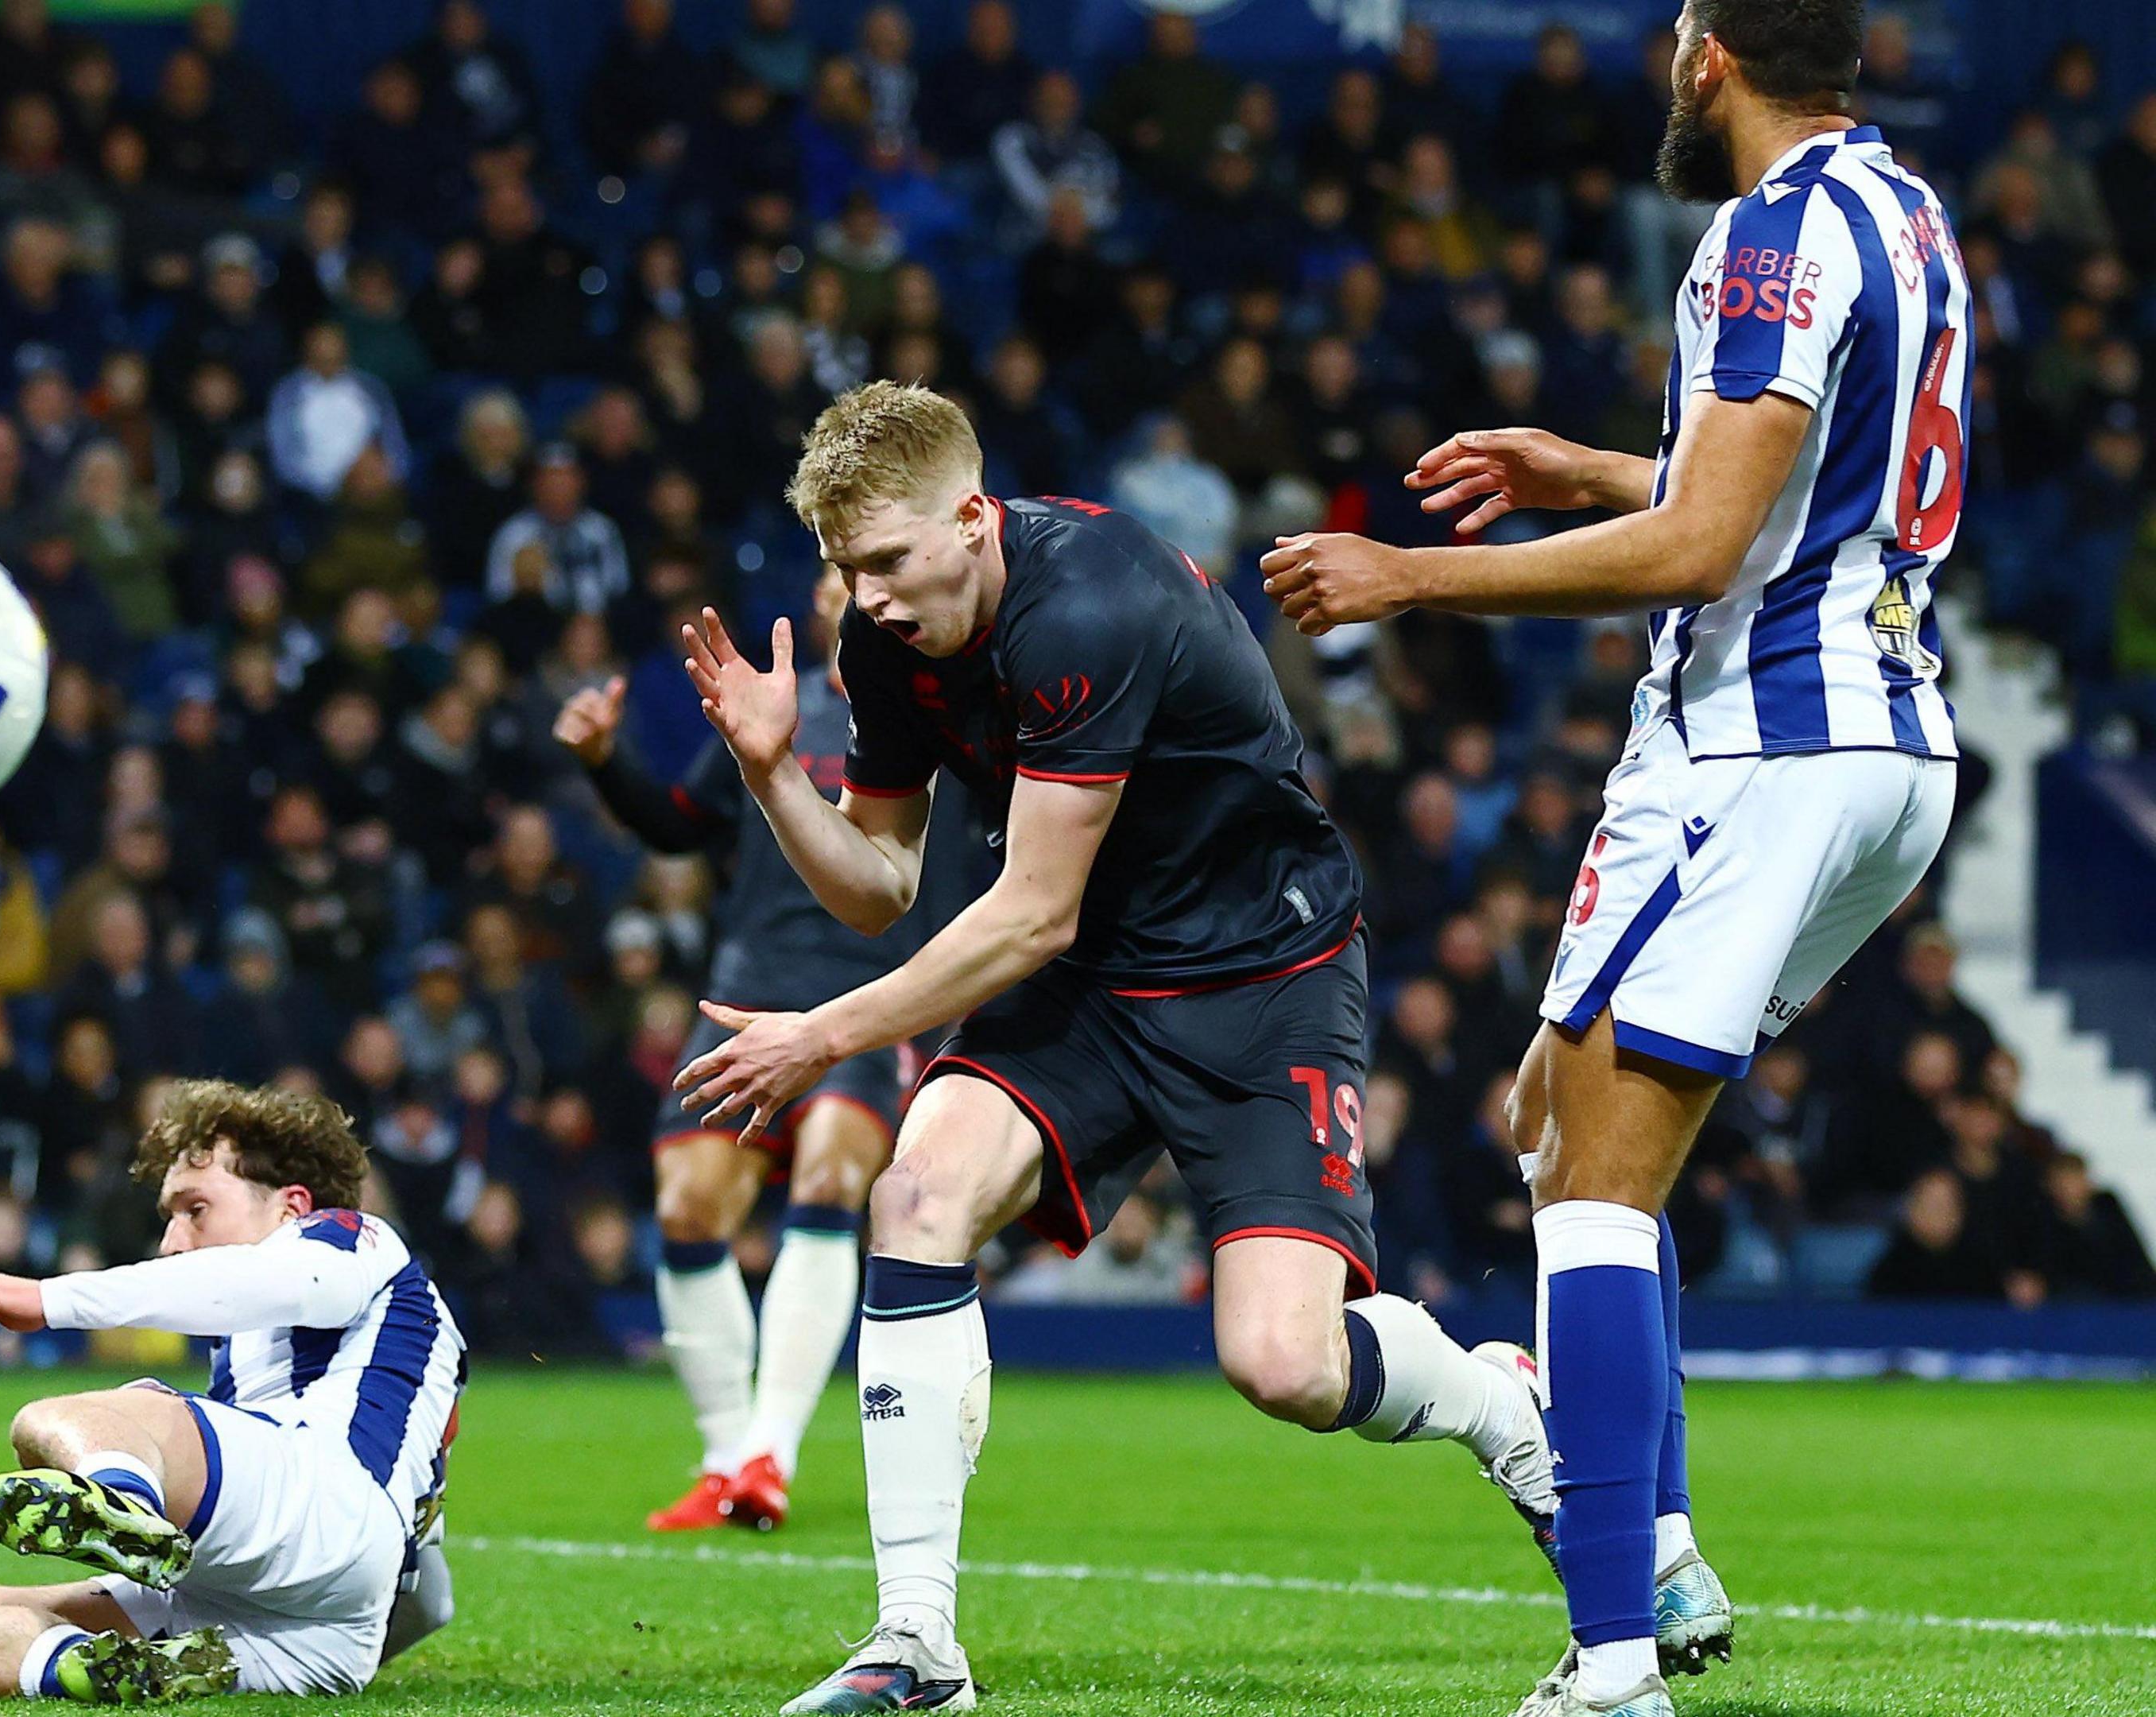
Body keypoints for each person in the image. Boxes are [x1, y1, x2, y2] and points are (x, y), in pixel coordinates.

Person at [1261, 4, 1963, 1710]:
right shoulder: (1907, 208)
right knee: (1553, 1116)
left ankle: (1615, 1656)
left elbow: (1711, 543)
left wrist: (1403, 578)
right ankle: (1653, 1554)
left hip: (1758, 742)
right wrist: (1589, 467)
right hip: (1885, 746)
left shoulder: (1769, 228)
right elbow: (1786, 488)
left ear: (1707, 54)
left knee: (1593, 1184)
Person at [675, 382, 1554, 1715]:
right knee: (915, 1193)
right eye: (847, 571)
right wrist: (769, 772)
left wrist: (828, 1033)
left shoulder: (1090, 605)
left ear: (973, 519)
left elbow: (1029, 910)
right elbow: (879, 885)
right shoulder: (887, 642)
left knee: (1285, 1367)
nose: (872, 598)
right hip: (1092, 981)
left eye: (893, 563)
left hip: (1262, 973)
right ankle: (917, 1645)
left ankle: (1501, 1409)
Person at [553, 567, 977, 1533]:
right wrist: (605, 760)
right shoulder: (777, 713)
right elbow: (676, 826)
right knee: (688, 1204)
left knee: (833, 1178)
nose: (852, 586)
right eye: (838, 572)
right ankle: (725, 1455)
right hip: (747, 984)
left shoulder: (949, 712)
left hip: (870, 995)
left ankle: (766, 1458)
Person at [0, 1080, 462, 1701]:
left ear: (291, 1207)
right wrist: (351, 1638)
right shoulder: (269, 1354)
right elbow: (433, 1601)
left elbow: (290, 1282)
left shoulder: (353, 1237)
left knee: (66, 1418)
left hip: (325, 1522)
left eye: (194, 1209)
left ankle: (124, 1508)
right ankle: (88, 1665)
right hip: (300, 1626)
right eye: (169, 1218)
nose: (173, 1241)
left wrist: (48, 1298)